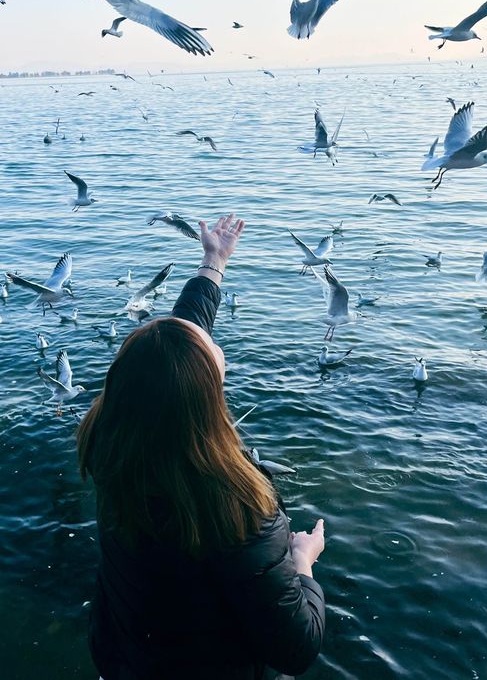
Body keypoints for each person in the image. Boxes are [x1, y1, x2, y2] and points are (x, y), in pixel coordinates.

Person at [77, 213, 326, 680]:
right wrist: (301, 563)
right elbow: (297, 648)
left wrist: (213, 263)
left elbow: (174, 349)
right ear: (206, 395)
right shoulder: (240, 511)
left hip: (127, 659)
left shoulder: (110, 441)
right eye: (214, 360)